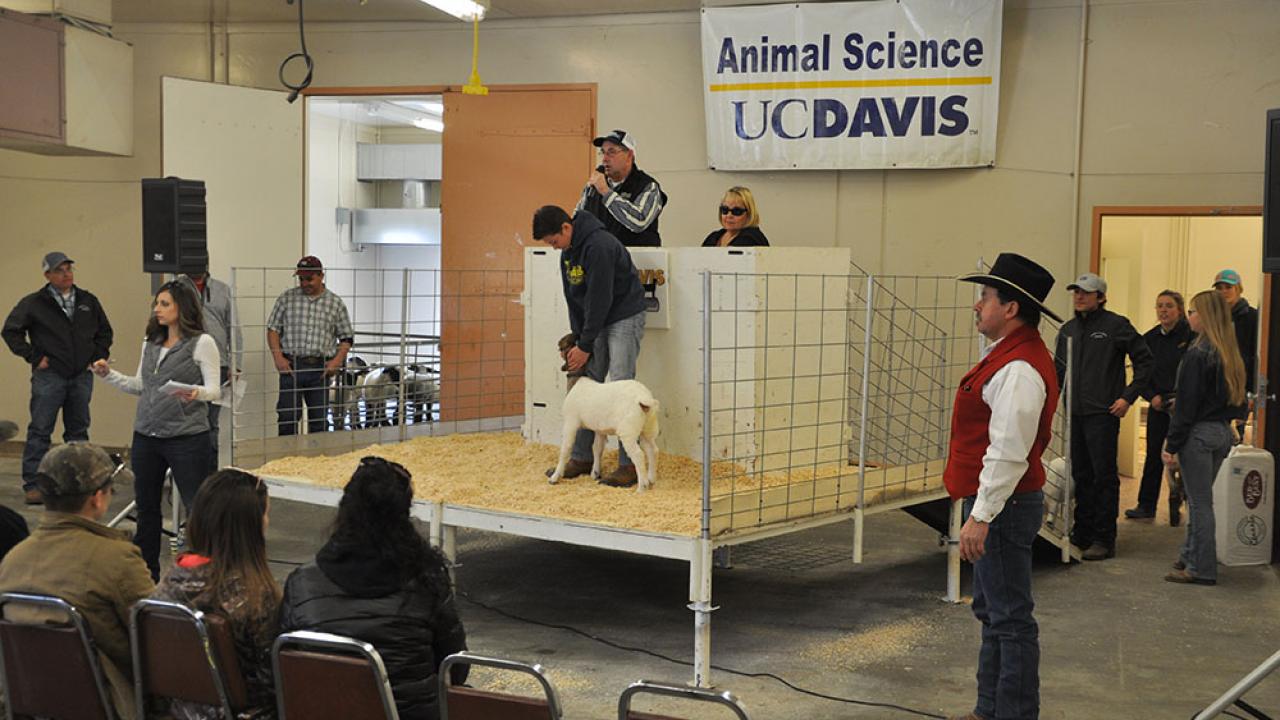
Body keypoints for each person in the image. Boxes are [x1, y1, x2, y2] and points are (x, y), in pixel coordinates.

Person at [943, 254, 1061, 720]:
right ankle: (989, 709)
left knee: (1010, 620)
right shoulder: (1009, 356)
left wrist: (982, 515)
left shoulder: (1019, 368)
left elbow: (1008, 451)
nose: (977, 306)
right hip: (1001, 503)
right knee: (994, 614)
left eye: (985, 297)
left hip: (1005, 505)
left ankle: (1010, 713)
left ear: (1010, 308)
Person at [280, 456, 468, 720]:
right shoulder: (427, 582)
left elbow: (283, 664)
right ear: (403, 515)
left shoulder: (301, 583)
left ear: (345, 509)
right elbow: (456, 670)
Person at [0, 443, 154, 720]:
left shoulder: (13, 560)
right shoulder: (116, 558)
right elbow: (153, 638)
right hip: (109, 703)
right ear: (97, 498)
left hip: (32, 701)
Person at [93, 281, 220, 580]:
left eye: (165, 304)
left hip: (187, 438)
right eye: (157, 303)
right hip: (146, 436)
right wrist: (108, 375)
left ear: (182, 308)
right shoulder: (150, 342)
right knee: (146, 507)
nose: (157, 309)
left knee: (196, 507)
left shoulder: (202, 343)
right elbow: (141, 386)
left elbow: (214, 389)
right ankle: (145, 572)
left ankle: (201, 572)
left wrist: (195, 393)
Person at [532, 205, 647, 487]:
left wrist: (585, 344)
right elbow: (574, 298)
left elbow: (600, 297)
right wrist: (576, 337)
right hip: (597, 318)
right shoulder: (568, 252)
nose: (554, 247)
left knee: (621, 382)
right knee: (586, 385)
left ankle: (629, 465)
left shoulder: (599, 246)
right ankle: (582, 458)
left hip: (623, 313)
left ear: (566, 228)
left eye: (553, 241)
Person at [151, 469, 280, 719]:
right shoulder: (254, 598)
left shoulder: (165, 587)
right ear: (250, 525)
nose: (267, 521)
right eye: (266, 513)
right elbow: (271, 685)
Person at [1054, 272, 1153, 561]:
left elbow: (1145, 362)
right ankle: (1081, 533)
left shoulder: (1116, 326)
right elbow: (1058, 372)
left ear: (1101, 297)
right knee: (1080, 475)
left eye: (1086, 292)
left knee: (1103, 477)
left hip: (1102, 415)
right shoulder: (1068, 330)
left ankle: (1103, 539)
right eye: (1076, 292)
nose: (1079, 296)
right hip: (1075, 414)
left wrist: (1127, 397)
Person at [2, 252, 113, 505]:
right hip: (49, 376)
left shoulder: (88, 301)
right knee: (41, 430)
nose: (66, 274)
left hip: (81, 375)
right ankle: (33, 484)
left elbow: (105, 332)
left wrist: (96, 356)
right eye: (60, 270)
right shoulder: (34, 303)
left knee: (78, 432)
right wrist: (33, 356)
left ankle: (81, 483)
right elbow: (11, 331)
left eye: (69, 269)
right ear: (47, 275)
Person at [1161, 291, 1248, 586]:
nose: (1190, 317)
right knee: (1200, 500)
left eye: (1194, 312)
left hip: (1198, 434)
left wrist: (1171, 444)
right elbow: (1236, 402)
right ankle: (1188, 554)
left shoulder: (1198, 353)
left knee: (1199, 504)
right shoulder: (1229, 352)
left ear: (1206, 316)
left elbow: (1187, 406)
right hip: (1222, 432)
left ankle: (1201, 568)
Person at [266, 256, 354, 436]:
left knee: (319, 421)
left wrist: (336, 361)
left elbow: (346, 338)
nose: (305, 283)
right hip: (291, 366)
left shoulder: (335, 304)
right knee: (287, 417)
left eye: (309, 279)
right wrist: (278, 357)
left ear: (321, 276)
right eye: (301, 279)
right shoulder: (287, 299)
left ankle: (317, 461)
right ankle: (286, 459)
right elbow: (273, 329)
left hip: (320, 368)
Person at [1126, 290, 1194, 521]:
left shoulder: (1192, 335)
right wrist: (1151, 396)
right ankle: (1146, 505)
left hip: (1185, 406)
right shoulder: (1149, 339)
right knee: (1154, 455)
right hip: (1158, 404)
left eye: (1169, 306)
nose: (1163, 310)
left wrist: (1183, 398)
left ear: (1180, 310)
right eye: (1159, 306)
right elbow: (1141, 373)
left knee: (1185, 455)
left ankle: (1182, 499)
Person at [179, 264, 243, 475]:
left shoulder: (222, 290)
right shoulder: (175, 288)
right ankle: (183, 475)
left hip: (219, 365)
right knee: (184, 422)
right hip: (185, 364)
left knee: (210, 424)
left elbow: (233, 328)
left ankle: (209, 477)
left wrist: (236, 365)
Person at [575, 129, 667, 247]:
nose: (604, 159)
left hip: (638, 261)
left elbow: (639, 221)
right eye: (603, 152)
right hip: (601, 257)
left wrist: (606, 192)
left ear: (629, 155)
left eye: (611, 152)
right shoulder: (593, 186)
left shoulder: (647, 186)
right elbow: (578, 220)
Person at [1212, 268, 1258, 439]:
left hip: (1240, 387)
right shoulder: (1212, 318)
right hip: (1214, 387)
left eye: (1228, 287)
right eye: (1219, 288)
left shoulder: (1253, 318)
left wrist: (1251, 391)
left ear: (1238, 289)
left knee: (1234, 441)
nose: (1223, 292)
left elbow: (1256, 356)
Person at [701, 186, 770, 248]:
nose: (729, 215)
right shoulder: (713, 237)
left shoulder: (751, 239)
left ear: (749, 213)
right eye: (725, 210)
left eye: (736, 211)